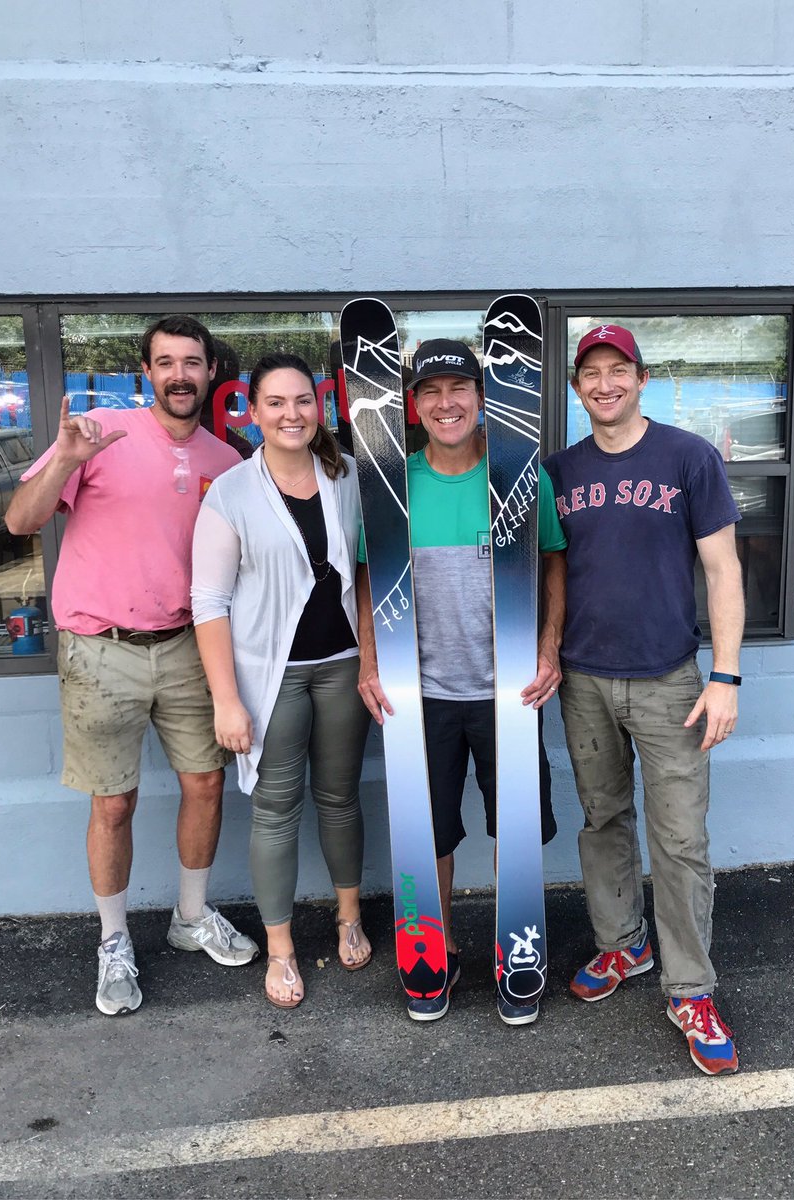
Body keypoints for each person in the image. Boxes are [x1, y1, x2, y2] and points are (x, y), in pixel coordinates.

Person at [5, 314, 259, 1017]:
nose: (180, 374)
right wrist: (61, 458)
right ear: (146, 372)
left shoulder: (227, 462)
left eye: (193, 362)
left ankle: (189, 916)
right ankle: (114, 941)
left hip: (187, 645)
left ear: (211, 373)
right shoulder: (97, 436)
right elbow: (21, 522)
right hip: (101, 648)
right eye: (165, 362)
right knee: (112, 803)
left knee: (206, 786)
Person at [543, 323, 744, 1075]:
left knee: (681, 839)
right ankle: (620, 945)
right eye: (590, 373)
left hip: (669, 683)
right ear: (576, 387)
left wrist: (724, 676)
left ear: (640, 378)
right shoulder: (559, 470)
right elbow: (549, 575)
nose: (604, 384)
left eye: (616, 370)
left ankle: (690, 987)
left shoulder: (688, 457)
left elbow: (722, 570)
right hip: (585, 678)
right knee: (603, 820)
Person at [357, 338, 568, 1027]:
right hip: (423, 695)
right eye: (429, 392)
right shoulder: (394, 484)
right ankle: (434, 953)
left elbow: (554, 562)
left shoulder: (518, 477)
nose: (445, 403)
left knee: (515, 826)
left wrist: (547, 649)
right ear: (414, 407)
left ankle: (518, 952)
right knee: (432, 836)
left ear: (481, 397)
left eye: (457, 389)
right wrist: (369, 662)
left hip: (508, 692)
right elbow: (370, 578)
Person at [191, 353, 370, 1010]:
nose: (291, 414)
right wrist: (226, 700)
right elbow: (208, 601)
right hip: (271, 677)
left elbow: (370, 569)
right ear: (253, 410)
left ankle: (348, 916)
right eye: (276, 402)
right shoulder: (231, 492)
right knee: (274, 810)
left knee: (341, 797)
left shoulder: (347, 475)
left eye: (303, 401)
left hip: (342, 666)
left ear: (319, 407)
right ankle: (282, 949)